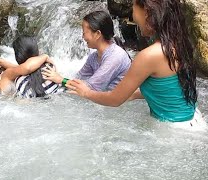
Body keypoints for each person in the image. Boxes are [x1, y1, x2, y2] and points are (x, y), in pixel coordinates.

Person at [67, 0, 204, 125]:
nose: (133, 16)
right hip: (193, 121)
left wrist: (86, 93)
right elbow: (168, 88)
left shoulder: (149, 56)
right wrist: (132, 94)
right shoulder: (178, 45)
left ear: (146, 12)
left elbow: (115, 100)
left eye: (133, 7)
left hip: (173, 129)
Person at [42, 10, 131, 91]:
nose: (83, 37)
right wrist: (56, 75)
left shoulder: (115, 56)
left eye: (84, 33)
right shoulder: (93, 57)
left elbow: (90, 87)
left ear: (97, 34)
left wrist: (61, 79)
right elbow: (78, 79)